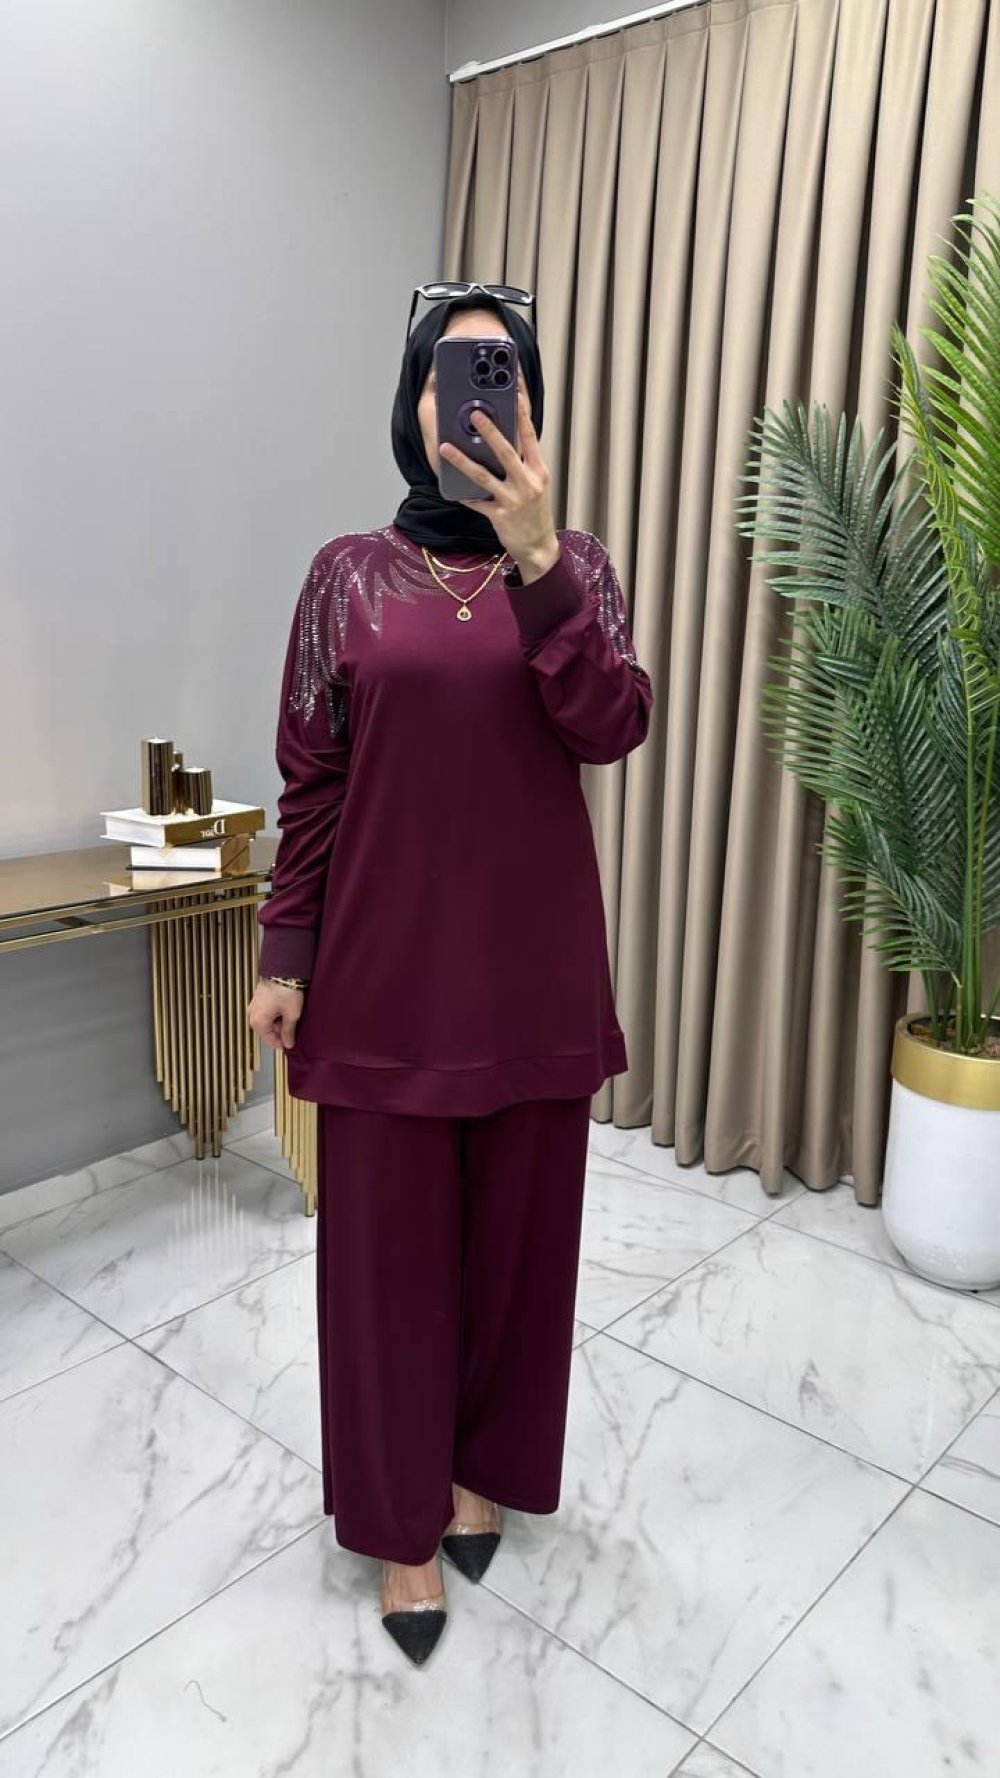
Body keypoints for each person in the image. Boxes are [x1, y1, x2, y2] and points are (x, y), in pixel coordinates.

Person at [246, 283, 653, 1666]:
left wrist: (540, 564)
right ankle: (403, 1525)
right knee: (387, 1267)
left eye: (503, 370)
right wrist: (285, 952)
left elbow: (611, 727)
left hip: (533, 975)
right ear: (414, 402)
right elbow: (312, 777)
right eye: (451, 370)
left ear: (529, 404)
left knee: (518, 1256)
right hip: (382, 976)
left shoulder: (578, 568)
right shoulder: (346, 575)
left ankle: (481, 1469)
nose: (477, 395)